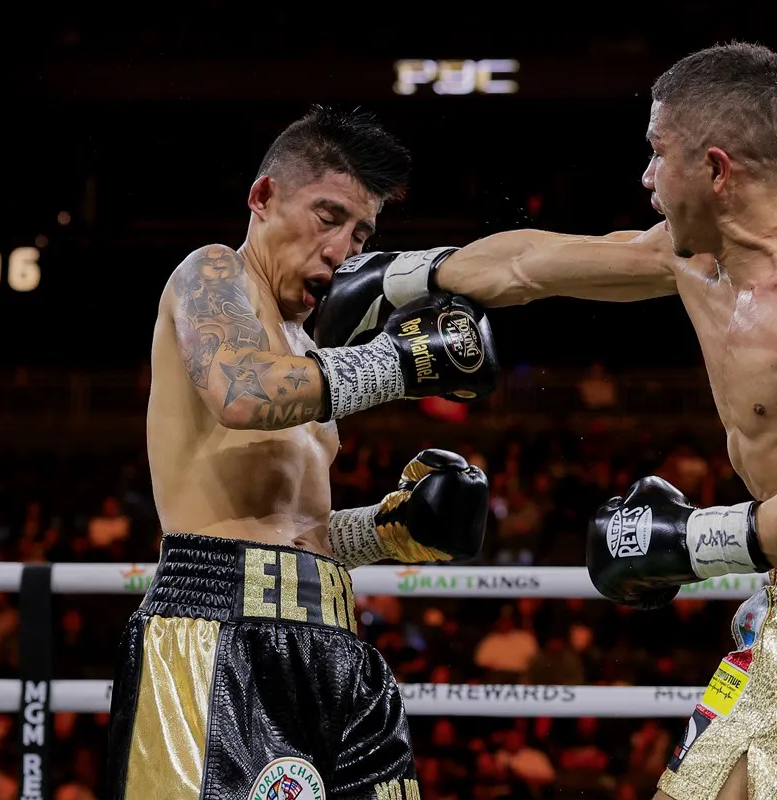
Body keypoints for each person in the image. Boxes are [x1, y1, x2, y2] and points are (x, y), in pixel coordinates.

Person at [316, 43, 777, 800]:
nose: (645, 177)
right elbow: (530, 265)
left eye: (658, 153)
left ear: (717, 170)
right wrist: (403, 277)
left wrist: (686, 542)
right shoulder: (695, 262)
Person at [106, 105, 500, 800]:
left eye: (361, 234)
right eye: (329, 218)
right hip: (216, 632)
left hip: (335, 641)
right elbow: (241, 392)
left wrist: (386, 530)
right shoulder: (210, 274)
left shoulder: (310, 351)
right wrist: (398, 363)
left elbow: (293, 531)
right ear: (263, 197)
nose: (343, 250)